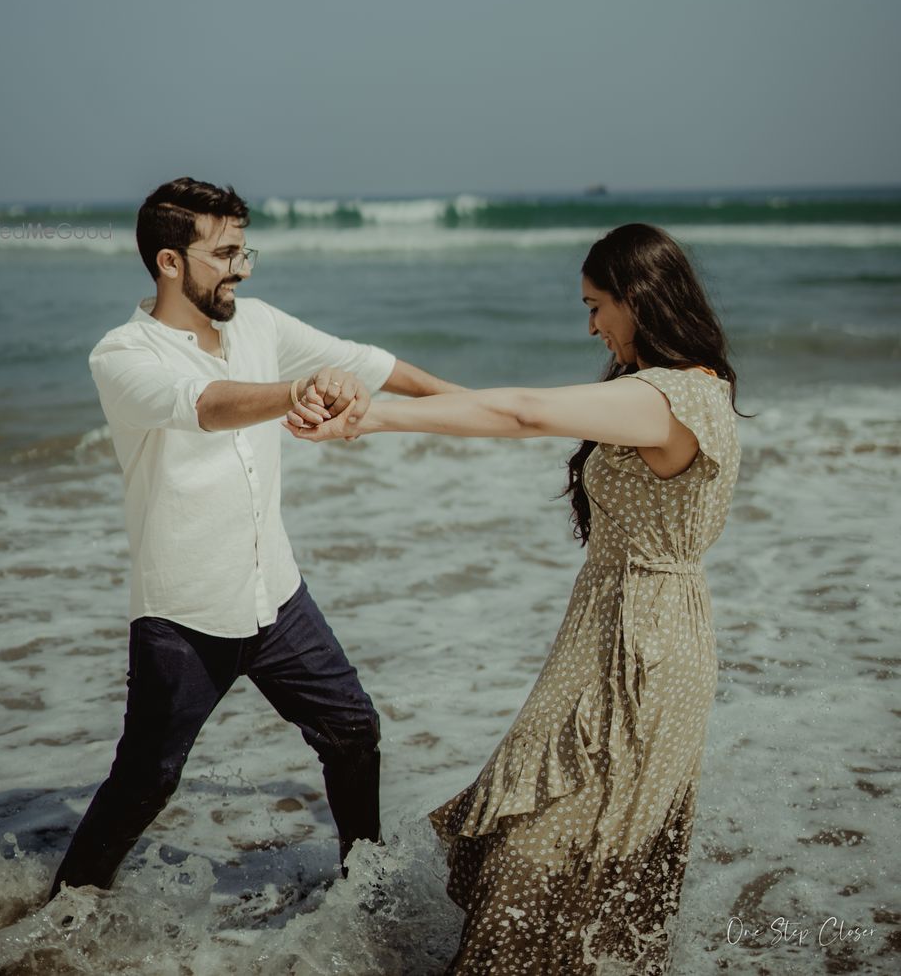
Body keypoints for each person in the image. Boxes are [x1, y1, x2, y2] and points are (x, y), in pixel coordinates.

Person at [287, 223, 743, 975]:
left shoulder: (669, 397)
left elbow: (526, 413)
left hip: (643, 645)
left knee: (554, 842)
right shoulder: (672, 389)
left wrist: (374, 414)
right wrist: (403, 408)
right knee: (559, 839)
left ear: (639, 298)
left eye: (597, 305)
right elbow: (513, 413)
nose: (591, 324)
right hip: (623, 624)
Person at [49, 176, 459, 898]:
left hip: (278, 595)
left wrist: (487, 410)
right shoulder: (121, 355)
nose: (240, 267)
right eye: (226, 253)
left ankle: (362, 888)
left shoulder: (260, 325)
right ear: (170, 262)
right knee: (148, 780)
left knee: (353, 733)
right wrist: (296, 392)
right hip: (184, 613)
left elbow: (374, 363)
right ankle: (63, 913)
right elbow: (204, 406)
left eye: (245, 251)